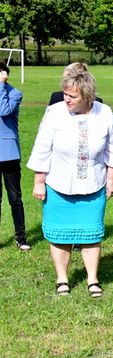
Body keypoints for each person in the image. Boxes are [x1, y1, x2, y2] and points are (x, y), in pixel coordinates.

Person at [27, 71, 113, 297]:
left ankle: (92, 279)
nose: (67, 99)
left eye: (72, 96)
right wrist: (39, 182)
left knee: (91, 234)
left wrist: (111, 179)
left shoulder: (104, 112)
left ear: (88, 96)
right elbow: (42, 147)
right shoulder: (54, 112)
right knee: (60, 235)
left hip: (93, 184)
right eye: (65, 94)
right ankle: (62, 279)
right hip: (59, 184)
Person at [0, 62, 30, 251]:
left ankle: (21, 236)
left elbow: (3, 110)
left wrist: (1, 86)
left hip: (9, 152)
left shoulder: (14, 93)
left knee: (14, 197)